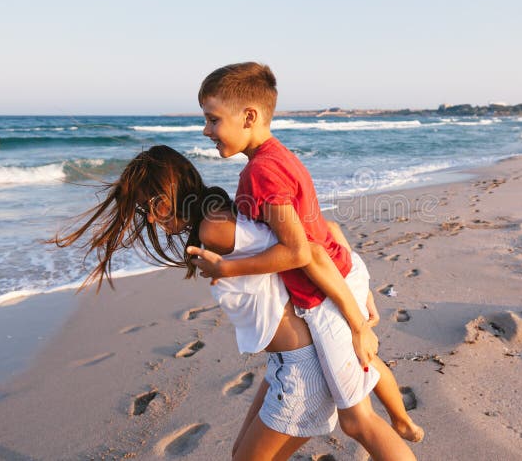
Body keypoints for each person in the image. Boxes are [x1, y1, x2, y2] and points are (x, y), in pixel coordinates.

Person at [53, 146, 420, 460]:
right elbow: (326, 231)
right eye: (143, 209)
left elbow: (305, 249)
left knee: (347, 428)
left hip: (301, 369)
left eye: (155, 203)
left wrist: (357, 304)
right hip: (285, 363)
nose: (150, 216)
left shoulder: (215, 228)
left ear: (176, 187)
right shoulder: (218, 218)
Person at [190, 62, 422, 458]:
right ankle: (402, 419)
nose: (206, 130)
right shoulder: (278, 157)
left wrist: (225, 268)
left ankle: (399, 423)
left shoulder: (260, 172)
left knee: (357, 421)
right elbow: (322, 229)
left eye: (213, 119)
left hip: (324, 297)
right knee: (364, 379)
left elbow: (299, 251)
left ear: (249, 116)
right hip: (339, 277)